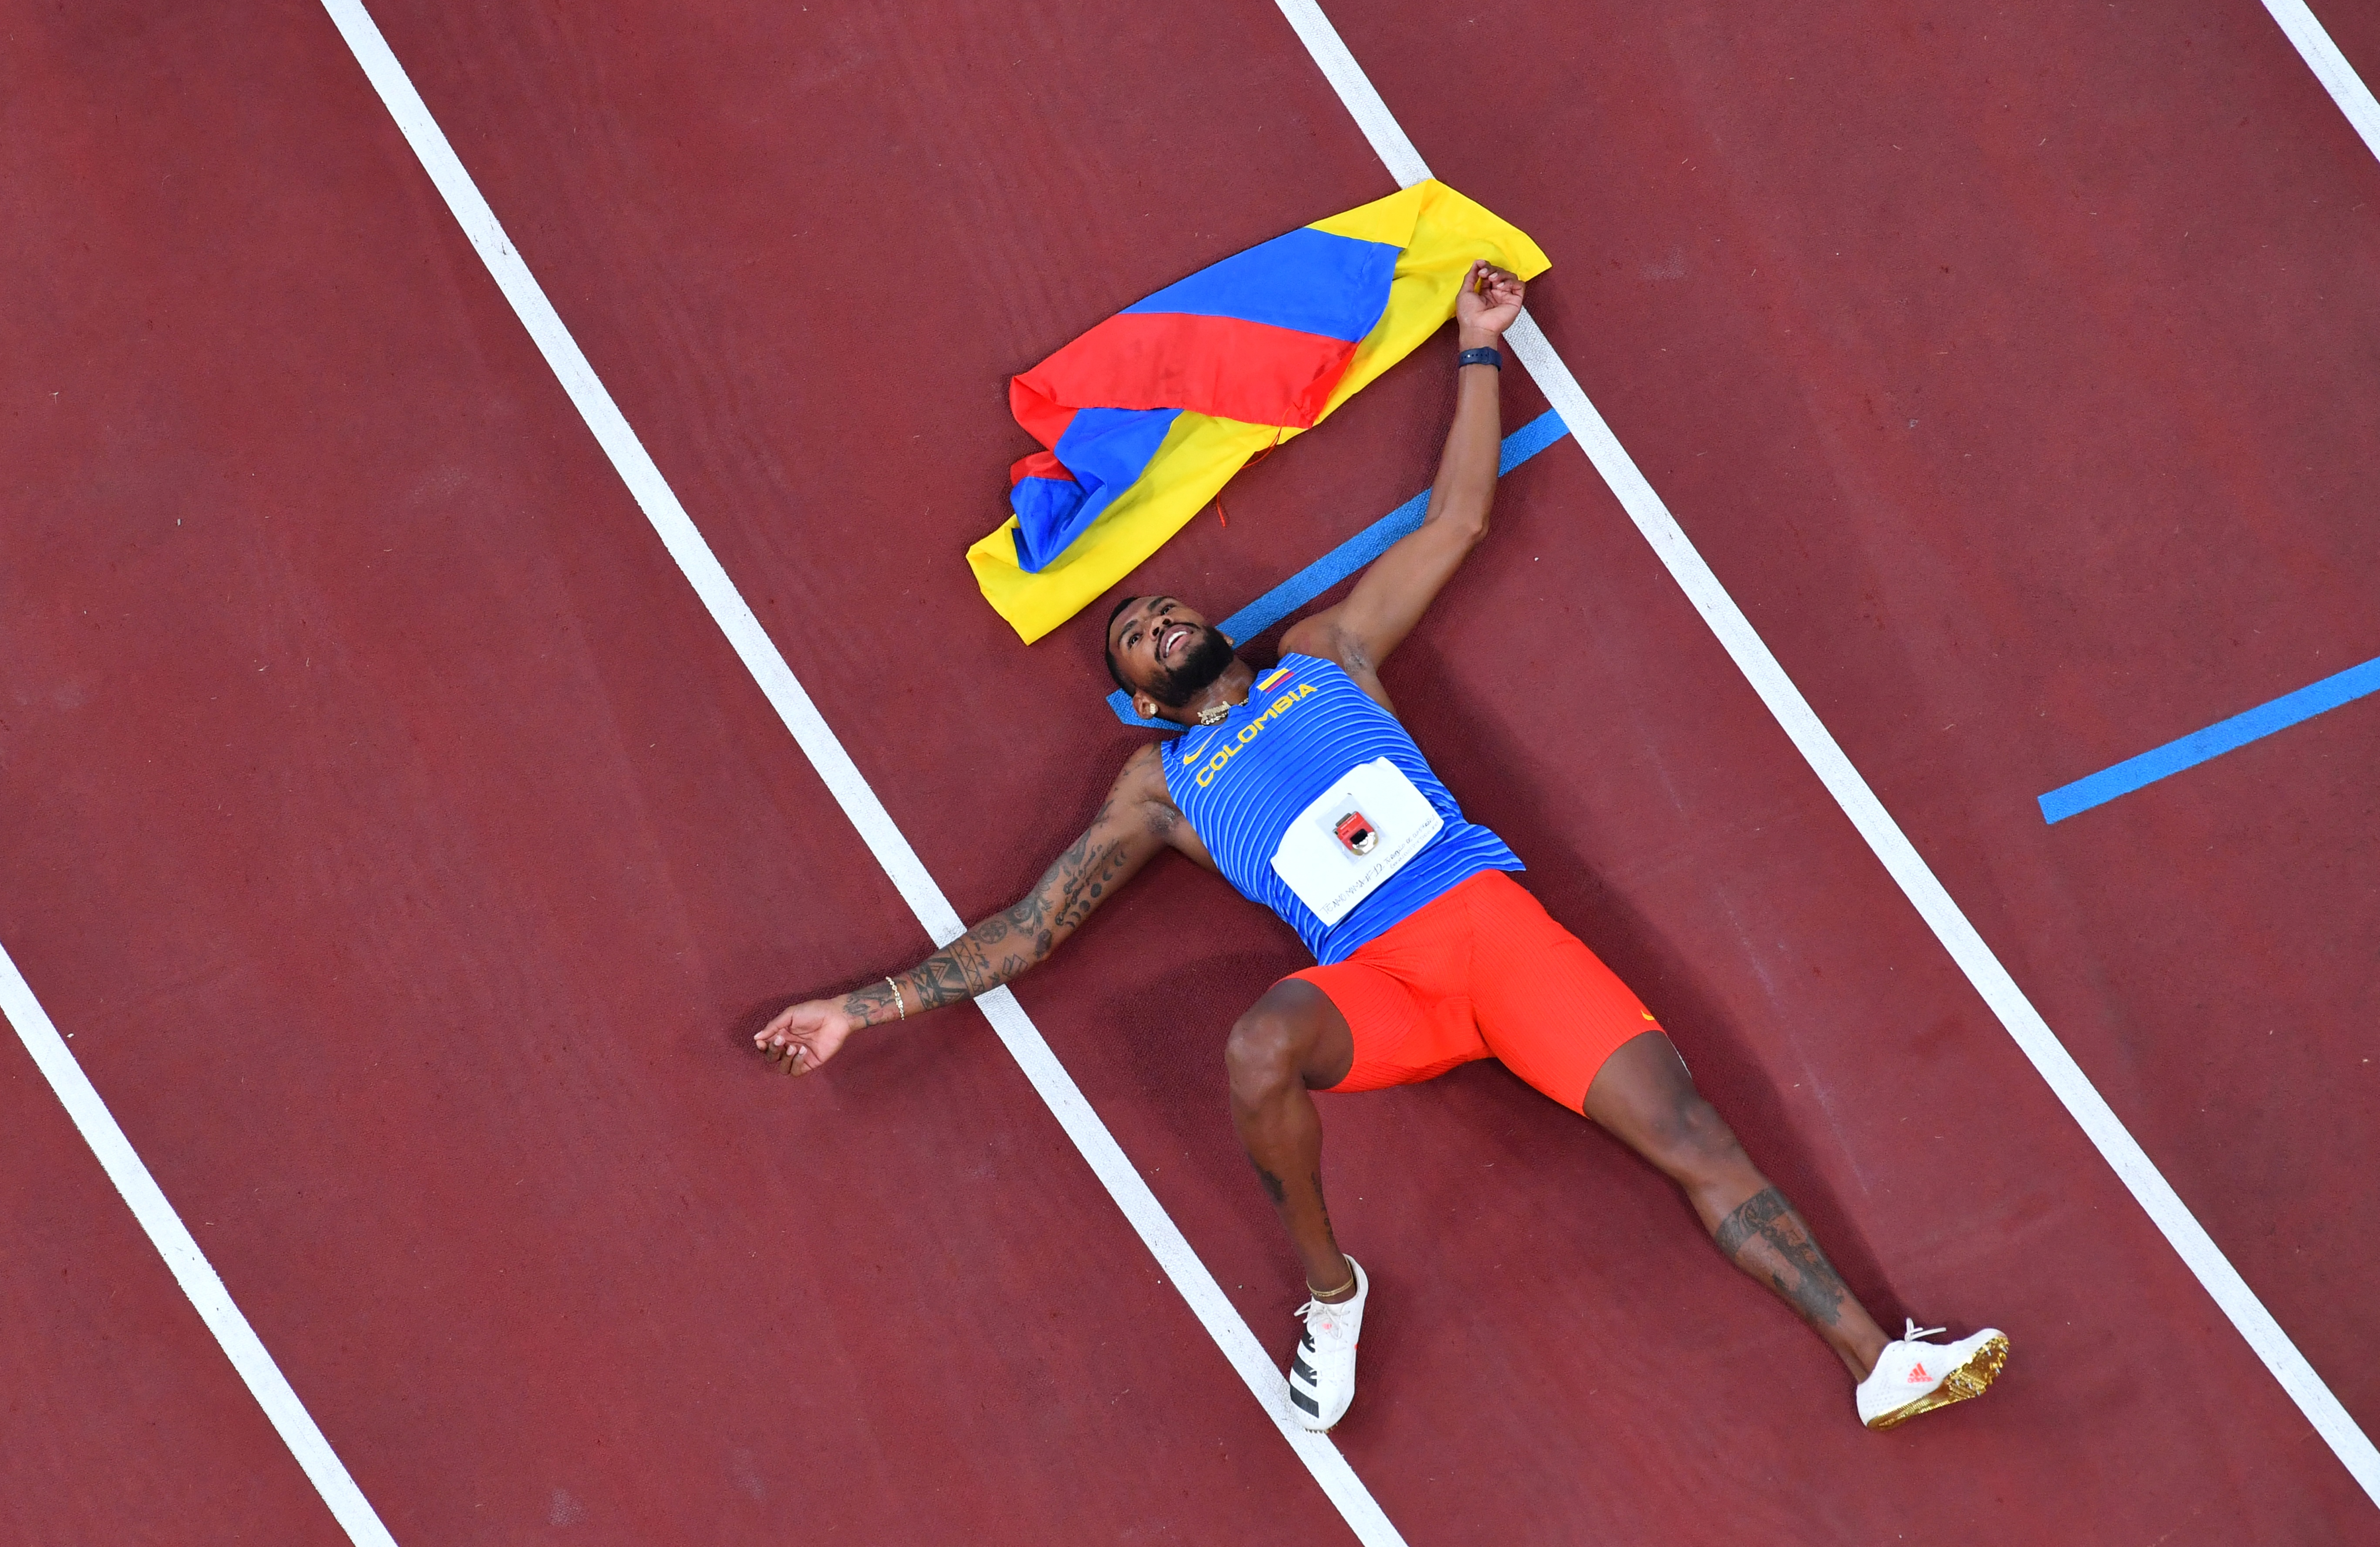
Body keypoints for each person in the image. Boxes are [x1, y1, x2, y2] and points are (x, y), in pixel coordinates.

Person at [757, 263, 2007, 1433]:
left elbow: (1457, 519)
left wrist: (1478, 351)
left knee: (1692, 1136)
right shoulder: (1160, 786)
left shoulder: (1325, 655)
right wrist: (861, 1012)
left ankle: (1880, 1362)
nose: (1156, 617)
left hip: (1497, 935)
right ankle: (1333, 1293)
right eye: (1135, 632)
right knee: (1259, 1044)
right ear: (1138, 695)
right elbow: (1033, 927)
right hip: (1385, 982)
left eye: (1163, 605)